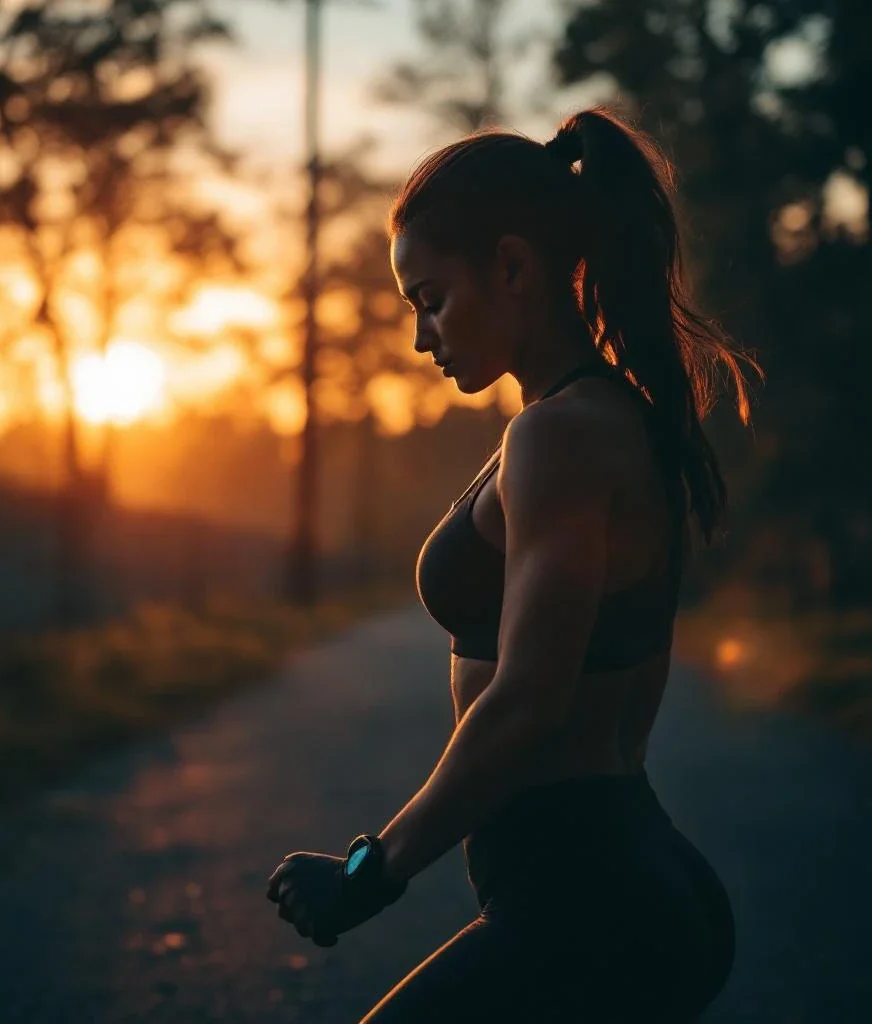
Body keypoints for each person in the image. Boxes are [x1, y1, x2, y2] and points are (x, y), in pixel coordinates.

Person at [266, 105, 758, 1022]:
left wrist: (371, 870)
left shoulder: (561, 434)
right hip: (613, 889)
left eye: (431, 300)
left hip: (593, 904)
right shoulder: (593, 418)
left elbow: (531, 697)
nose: (423, 337)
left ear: (514, 266)